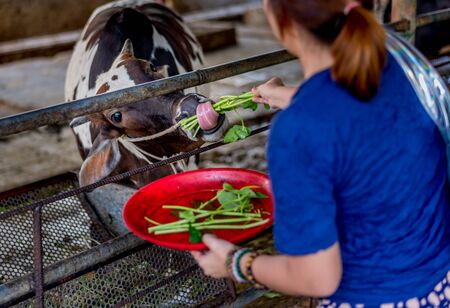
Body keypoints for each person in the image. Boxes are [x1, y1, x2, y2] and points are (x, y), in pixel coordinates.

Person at [191, 0, 450, 306]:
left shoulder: (298, 131)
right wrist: (295, 97)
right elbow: (360, 113)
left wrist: (237, 262)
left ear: (280, 19)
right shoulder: (397, 64)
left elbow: (317, 276)